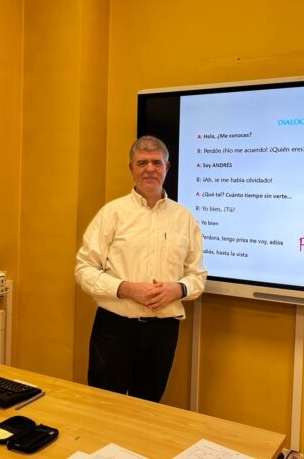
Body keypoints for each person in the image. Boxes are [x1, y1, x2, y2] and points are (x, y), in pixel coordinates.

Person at [75, 135, 207, 402]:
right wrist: (125, 289)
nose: (150, 169)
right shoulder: (112, 214)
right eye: (142, 163)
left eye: (156, 163)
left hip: (162, 332)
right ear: (131, 169)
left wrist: (178, 289)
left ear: (167, 167)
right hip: (114, 328)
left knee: (148, 407)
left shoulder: (185, 218)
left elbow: (197, 276)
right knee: (104, 405)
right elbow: (84, 269)